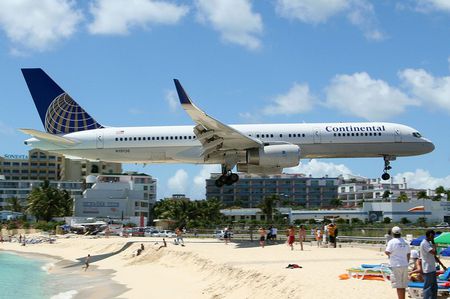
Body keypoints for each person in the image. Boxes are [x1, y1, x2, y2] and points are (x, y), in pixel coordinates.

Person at [385, 226, 410, 299]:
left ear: (392, 233)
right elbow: (408, 254)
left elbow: (387, 252)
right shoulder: (405, 242)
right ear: (400, 233)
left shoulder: (391, 242)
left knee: (398, 285)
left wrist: (393, 254)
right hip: (405, 265)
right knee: (403, 285)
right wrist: (406, 262)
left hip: (396, 265)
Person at [420, 229, 438, 299]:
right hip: (428, 268)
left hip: (432, 268)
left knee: (434, 287)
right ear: (430, 235)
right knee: (428, 287)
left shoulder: (428, 243)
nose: (433, 237)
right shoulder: (424, 243)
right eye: (433, 236)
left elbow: (434, 255)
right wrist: (433, 243)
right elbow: (434, 252)